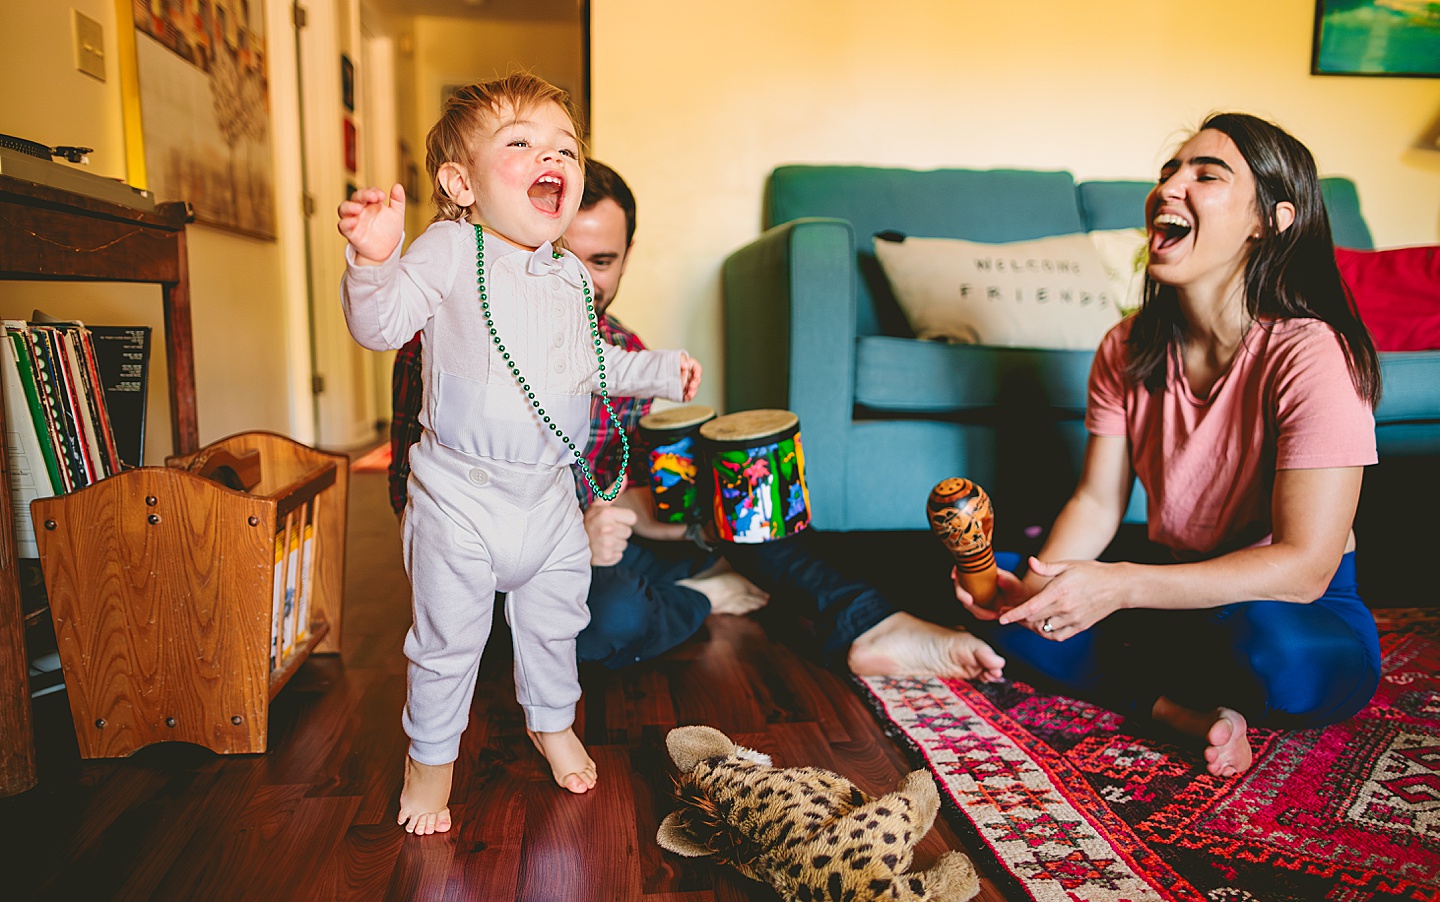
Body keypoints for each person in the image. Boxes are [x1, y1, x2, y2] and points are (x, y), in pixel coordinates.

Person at [389, 160, 1008, 683]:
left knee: (746, 504)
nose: (580, 282)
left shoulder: (623, 348)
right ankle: (702, 596)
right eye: (561, 256)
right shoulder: (445, 336)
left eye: (601, 261)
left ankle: (874, 624)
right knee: (606, 624)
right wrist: (577, 530)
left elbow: (628, 491)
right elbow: (412, 501)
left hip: (607, 546)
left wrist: (679, 500)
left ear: (628, 256)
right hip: (502, 567)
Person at [954, 113, 1383, 778]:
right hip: (1170, 595)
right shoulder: (1125, 347)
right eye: (1167, 172)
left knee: (1275, 654)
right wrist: (1033, 592)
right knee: (998, 597)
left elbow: (1304, 567)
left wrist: (1120, 588)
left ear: (1270, 220)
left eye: (1206, 175)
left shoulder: (1312, 352)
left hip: (1290, 611)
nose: (1168, 188)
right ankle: (1180, 709)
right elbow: (1098, 503)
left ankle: (1164, 680)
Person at [339, 73, 700, 835]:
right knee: (447, 643)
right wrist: (374, 263)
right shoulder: (447, 250)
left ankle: (551, 722)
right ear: (459, 183)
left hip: (547, 499)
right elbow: (381, 327)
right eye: (523, 143)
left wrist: (660, 369)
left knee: (554, 625)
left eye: (565, 147)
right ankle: (428, 765)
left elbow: (590, 365)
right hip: (460, 497)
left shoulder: (568, 275)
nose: (554, 158)